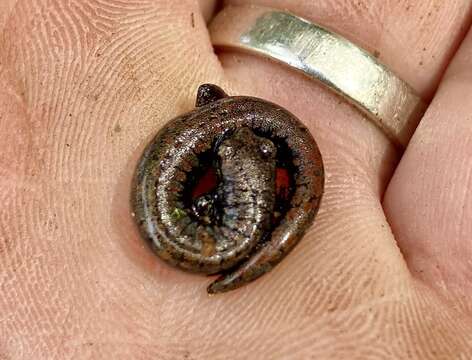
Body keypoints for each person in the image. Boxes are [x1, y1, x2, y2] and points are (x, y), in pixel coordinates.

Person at [1, 0, 471, 358]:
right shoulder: (226, 227)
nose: (264, 150)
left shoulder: (212, 219)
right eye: (263, 151)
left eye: (262, 150)